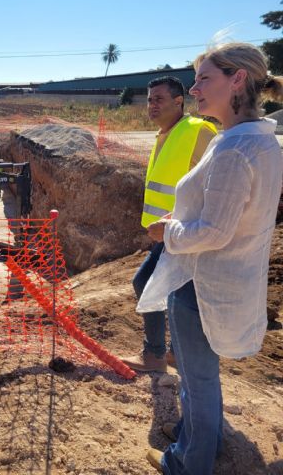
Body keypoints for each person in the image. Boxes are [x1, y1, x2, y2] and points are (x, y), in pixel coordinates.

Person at [138, 43, 283, 474]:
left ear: (237, 79)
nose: (195, 88)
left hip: (200, 285)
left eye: (205, 78)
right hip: (226, 280)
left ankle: (188, 462)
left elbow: (215, 233)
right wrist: (183, 216)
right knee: (203, 378)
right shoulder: (260, 141)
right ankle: (202, 438)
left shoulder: (234, 149)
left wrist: (168, 231)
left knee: (197, 381)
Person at [119, 76, 216, 373]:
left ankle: (155, 355)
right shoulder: (165, 134)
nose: (152, 105)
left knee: (146, 283)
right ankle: (172, 352)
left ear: (179, 101)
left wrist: (181, 224)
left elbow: (215, 184)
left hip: (184, 233)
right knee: (172, 291)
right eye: (149, 99)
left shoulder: (199, 131)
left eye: (159, 99)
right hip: (167, 235)